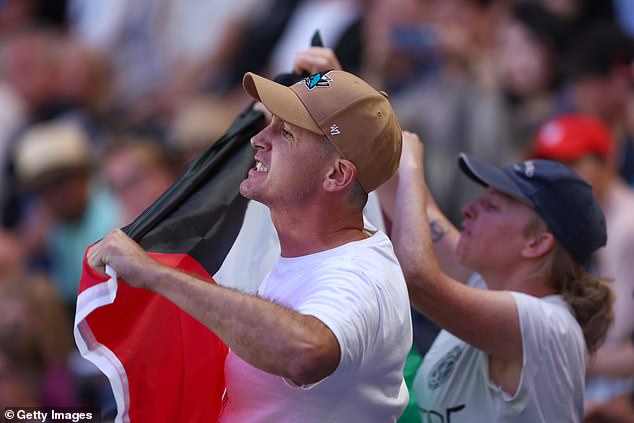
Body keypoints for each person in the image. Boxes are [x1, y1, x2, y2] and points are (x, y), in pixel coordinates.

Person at [87, 69, 412, 422]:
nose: (258, 139)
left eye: (285, 132)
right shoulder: (320, 243)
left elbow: (306, 352)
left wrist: (155, 274)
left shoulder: (361, 274)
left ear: (336, 175)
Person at [378, 131, 614, 422]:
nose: (468, 209)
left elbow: (416, 276)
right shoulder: (485, 284)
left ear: (537, 243)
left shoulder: (549, 327)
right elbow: (410, 200)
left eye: (491, 206)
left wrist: (413, 167)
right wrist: (383, 139)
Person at [529, 114, 634, 410]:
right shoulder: (565, 219)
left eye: (571, 162)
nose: (558, 174)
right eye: (550, 163)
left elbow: (614, 335)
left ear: (606, 162)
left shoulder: (627, 223)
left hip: (612, 393)